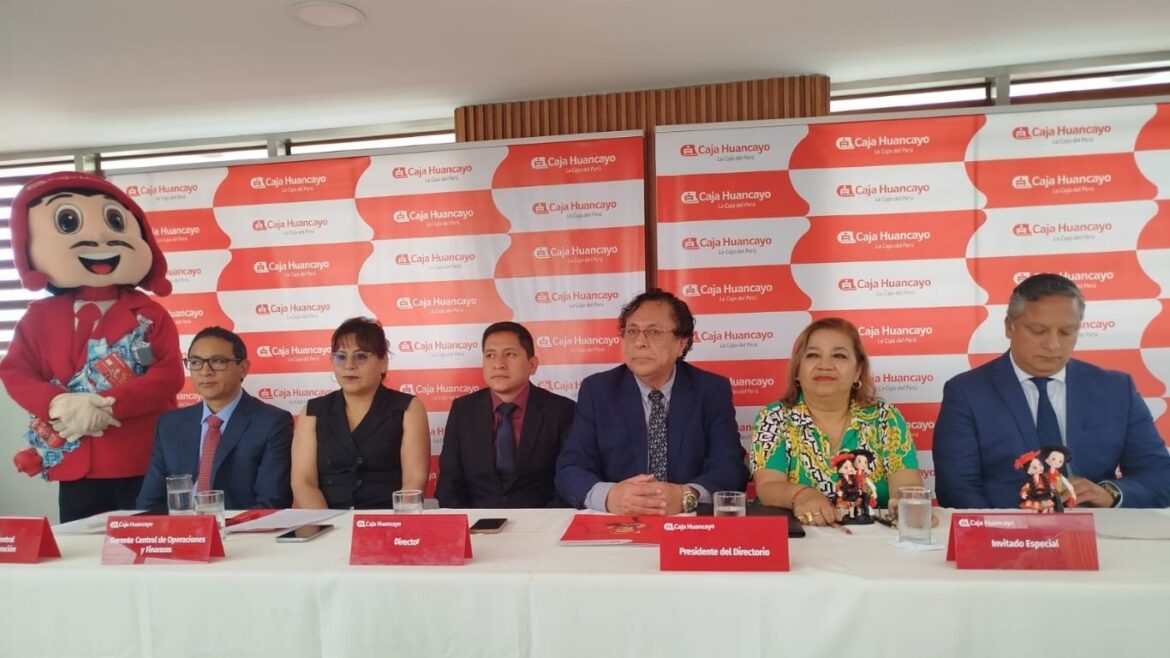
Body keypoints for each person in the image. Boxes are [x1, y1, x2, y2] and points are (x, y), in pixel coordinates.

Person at [0, 172, 184, 522]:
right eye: (68, 222)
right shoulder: (38, 316)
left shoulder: (149, 314)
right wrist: (57, 403)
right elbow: (15, 372)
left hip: (139, 457)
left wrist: (109, 405)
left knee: (148, 544)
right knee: (80, 550)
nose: (99, 239)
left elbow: (168, 375)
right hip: (74, 461)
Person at [934, 273, 1170, 509]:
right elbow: (956, 488)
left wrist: (1110, 493)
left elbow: (1160, 476)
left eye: (1066, 332)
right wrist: (1001, 528)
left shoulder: (1116, 389)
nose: (1053, 345)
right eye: (1038, 331)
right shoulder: (967, 392)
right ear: (1009, 326)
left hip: (1099, 528)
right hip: (1005, 528)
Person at [555, 289, 747, 514]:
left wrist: (687, 495)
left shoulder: (711, 390)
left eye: (654, 332)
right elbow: (571, 467)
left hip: (686, 521)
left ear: (682, 343)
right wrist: (609, 496)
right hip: (619, 521)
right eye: (632, 331)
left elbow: (730, 466)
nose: (639, 342)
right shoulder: (598, 390)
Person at [749, 318, 923, 528]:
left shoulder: (886, 418)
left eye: (839, 356)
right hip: (803, 538)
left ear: (857, 370)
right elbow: (768, 486)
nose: (825, 365)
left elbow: (907, 486)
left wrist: (911, 507)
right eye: (813, 355)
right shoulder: (774, 417)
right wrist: (801, 494)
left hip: (876, 538)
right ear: (797, 369)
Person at [137, 327, 293, 510]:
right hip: (181, 525)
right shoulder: (170, 424)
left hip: (240, 526)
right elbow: (149, 502)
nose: (205, 371)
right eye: (196, 362)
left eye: (217, 361)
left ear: (243, 368)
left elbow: (271, 503)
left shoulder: (272, 423)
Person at [291, 317, 429, 509]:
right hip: (325, 520)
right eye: (341, 357)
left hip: (387, 520)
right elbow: (303, 481)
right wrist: (325, 523)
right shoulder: (313, 411)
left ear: (383, 362)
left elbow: (414, 481)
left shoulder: (408, 408)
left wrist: (396, 524)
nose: (349, 365)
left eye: (361, 356)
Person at [435, 322, 576, 508]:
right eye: (490, 355)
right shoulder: (463, 410)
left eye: (510, 354)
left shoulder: (562, 410)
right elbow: (449, 485)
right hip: (477, 521)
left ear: (532, 365)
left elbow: (569, 480)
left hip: (543, 520)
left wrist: (546, 522)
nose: (498, 364)